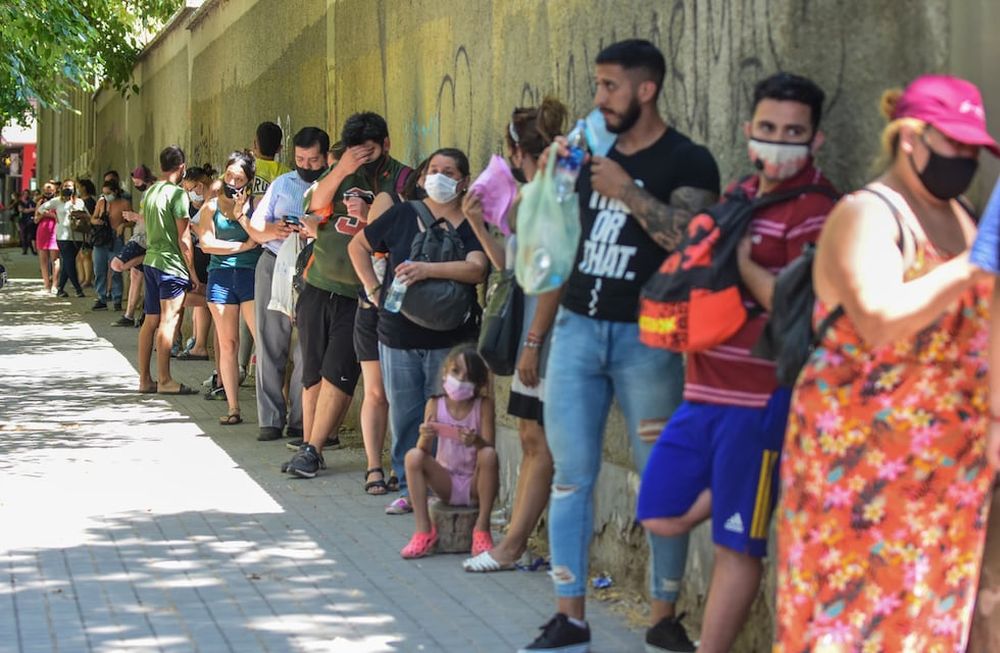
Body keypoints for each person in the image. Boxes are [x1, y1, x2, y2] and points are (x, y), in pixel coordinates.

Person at [773, 74, 998, 652]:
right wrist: (975, 264)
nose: (967, 158)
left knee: (927, 622)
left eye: (975, 147)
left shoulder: (962, 213)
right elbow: (877, 319)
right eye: (954, 143)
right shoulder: (868, 214)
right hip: (861, 467)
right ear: (909, 138)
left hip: (945, 472)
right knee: (852, 620)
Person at [520, 40, 720, 653]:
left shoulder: (688, 159)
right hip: (578, 329)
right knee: (571, 477)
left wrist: (627, 191)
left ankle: (663, 618)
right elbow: (551, 236)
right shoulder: (586, 153)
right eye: (598, 85)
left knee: (663, 477)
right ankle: (569, 617)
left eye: (610, 86)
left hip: (649, 337)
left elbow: (694, 244)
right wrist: (546, 180)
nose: (599, 97)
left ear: (646, 89)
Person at [634, 73, 837, 653]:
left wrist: (746, 267)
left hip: (760, 401)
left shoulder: (818, 209)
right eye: (768, 127)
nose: (779, 141)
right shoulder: (740, 196)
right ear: (749, 129)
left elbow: (803, 313)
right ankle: (736, 491)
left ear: (815, 140)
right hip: (703, 391)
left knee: (736, 546)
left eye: (793, 132)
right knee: (660, 513)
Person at [348, 147, 488, 513]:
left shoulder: (472, 221)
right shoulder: (402, 214)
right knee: (406, 414)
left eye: (449, 172)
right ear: (422, 178)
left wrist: (426, 270)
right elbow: (358, 246)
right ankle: (410, 488)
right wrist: (373, 289)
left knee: (447, 414)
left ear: (464, 181)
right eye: (434, 170)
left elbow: (477, 269)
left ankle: (443, 486)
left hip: (452, 337)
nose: (439, 177)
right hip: (398, 332)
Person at [461, 98, 567, 572]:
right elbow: (514, 268)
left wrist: (534, 343)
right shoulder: (533, 197)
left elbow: (553, 277)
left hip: (546, 338)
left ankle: (513, 545)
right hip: (535, 334)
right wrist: (478, 225)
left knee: (538, 440)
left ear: (516, 151)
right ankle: (514, 539)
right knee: (529, 437)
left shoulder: (548, 198)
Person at [280, 112, 413, 479]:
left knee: (338, 371)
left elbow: (404, 232)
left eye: (370, 152)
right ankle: (309, 447)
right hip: (318, 282)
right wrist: (341, 169)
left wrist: (370, 215)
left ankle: (314, 449)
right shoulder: (340, 173)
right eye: (357, 152)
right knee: (312, 373)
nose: (363, 159)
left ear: (386, 145)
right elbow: (314, 206)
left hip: (361, 293)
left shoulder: (402, 179)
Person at [245, 127, 329, 442]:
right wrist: (273, 230)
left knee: (308, 345)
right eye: (300, 159)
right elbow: (255, 225)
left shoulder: (332, 184)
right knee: (270, 341)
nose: (306, 166)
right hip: (274, 262)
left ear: (325, 157)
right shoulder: (282, 183)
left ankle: (300, 420)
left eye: (313, 160)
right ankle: (269, 419)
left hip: (315, 267)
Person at [400, 345, 499, 559]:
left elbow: (489, 448)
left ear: (478, 382)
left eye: (468, 375)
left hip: (475, 484)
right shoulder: (435, 404)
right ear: (445, 372)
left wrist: (476, 441)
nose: (461, 379)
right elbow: (422, 451)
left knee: (489, 455)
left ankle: (482, 529)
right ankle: (423, 530)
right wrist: (425, 435)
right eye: (456, 371)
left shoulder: (483, 405)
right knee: (412, 456)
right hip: (446, 483)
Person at [195, 150, 262, 424]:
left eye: (240, 178)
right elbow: (206, 244)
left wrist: (242, 216)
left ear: (249, 180)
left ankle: (277, 407)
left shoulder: (256, 204)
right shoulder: (210, 207)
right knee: (228, 344)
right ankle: (233, 408)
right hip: (220, 278)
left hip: (251, 275)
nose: (233, 182)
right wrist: (242, 246)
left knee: (263, 341)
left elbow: (261, 237)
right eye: (230, 175)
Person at [136, 146, 199, 396]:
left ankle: (145, 379)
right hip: (171, 264)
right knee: (168, 321)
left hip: (151, 261)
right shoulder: (178, 194)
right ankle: (165, 380)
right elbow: (184, 238)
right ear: (182, 167)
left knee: (150, 321)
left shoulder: (151, 191)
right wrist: (192, 272)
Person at [177, 163, 220, 361]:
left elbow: (208, 230)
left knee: (191, 296)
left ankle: (200, 344)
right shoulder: (204, 201)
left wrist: (191, 227)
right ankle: (199, 344)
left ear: (200, 185)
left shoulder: (215, 199)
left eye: (190, 189)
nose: (189, 194)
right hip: (200, 254)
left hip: (208, 254)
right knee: (198, 300)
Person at [110, 167, 154, 327]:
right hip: (141, 234)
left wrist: (135, 217)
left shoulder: (153, 193)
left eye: (137, 182)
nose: (136, 185)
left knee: (117, 264)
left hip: (144, 238)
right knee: (136, 276)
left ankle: (146, 257)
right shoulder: (146, 193)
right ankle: (129, 315)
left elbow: (157, 219)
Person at [38, 178, 88, 298]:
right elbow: (41, 208)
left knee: (67, 262)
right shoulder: (57, 201)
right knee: (69, 260)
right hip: (62, 236)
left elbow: (87, 215)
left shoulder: (79, 201)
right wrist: (52, 215)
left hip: (77, 236)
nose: (67, 188)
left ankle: (60, 289)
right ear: (61, 188)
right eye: (65, 186)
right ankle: (78, 289)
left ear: (74, 188)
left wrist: (80, 215)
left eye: (70, 186)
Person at [90, 178, 130, 311]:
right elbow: (93, 218)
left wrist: (123, 225)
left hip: (115, 238)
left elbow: (132, 220)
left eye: (108, 193)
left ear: (115, 191)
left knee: (116, 270)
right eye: (104, 193)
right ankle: (101, 297)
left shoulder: (124, 203)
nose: (106, 196)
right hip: (101, 238)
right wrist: (97, 221)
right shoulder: (101, 202)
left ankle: (117, 298)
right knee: (99, 269)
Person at [33, 182, 60, 292]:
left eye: (50, 189)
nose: (48, 192)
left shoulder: (58, 202)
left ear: (55, 190)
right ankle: (46, 285)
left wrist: (49, 214)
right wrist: (41, 215)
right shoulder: (40, 202)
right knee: (43, 260)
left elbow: (60, 217)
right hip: (42, 232)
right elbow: (35, 220)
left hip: (55, 232)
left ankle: (55, 285)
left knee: (55, 259)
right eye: (45, 190)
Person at [76, 178, 97, 289]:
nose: (78, 189)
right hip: (80, 232)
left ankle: (88, 279)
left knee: (86, 255)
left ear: (84, 188)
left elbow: (92, 216)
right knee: (79, 256)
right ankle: (81, 279)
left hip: (88, 231)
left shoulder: (90, 201)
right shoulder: (79, 200)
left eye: (79, 187)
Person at [17, 190, 37, 255]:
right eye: (24, 194)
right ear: (22, 194)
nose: (26, 195)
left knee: (30, 236)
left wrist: (27, 210)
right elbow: (21, 210)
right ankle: (24, 250)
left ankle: (32, 249)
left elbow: (35, 209)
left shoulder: (31, 201)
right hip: (22, 220)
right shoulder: (20, 202)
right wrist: (30, 209)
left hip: (30, 220)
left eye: (27, 194)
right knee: (23, 235)